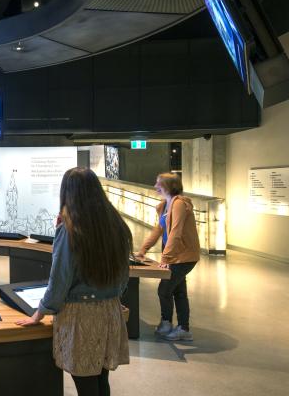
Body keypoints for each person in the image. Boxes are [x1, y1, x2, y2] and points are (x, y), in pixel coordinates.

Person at [16, 167, 130, 396]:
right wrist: (113, 297)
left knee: (86, 384)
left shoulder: (70, 228)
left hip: (81, 317)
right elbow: (124, 273)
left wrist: (40, 312)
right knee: (101, 380)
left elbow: (60, 278)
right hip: (110, 311)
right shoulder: (115, 224)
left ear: (67, 193)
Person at [136, 172, 201, 341]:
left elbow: (176, 232)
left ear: (168, 186)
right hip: (176, 256)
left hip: (184, 256)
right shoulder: (164, 205)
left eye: (159, 183)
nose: (155, 186)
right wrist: (143, 249)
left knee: (164, 289)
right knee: (178, 290)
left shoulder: (179, 203)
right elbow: (159, 230)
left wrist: (166, 258)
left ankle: (168, 324)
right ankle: (182, 328)